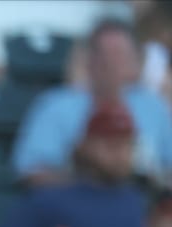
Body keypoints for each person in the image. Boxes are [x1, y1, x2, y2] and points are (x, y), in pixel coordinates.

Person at [0, 104, 156, 227]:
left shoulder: (144, 200)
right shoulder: (52, 198)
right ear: (86, 146)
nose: (121, 155)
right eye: (111, 145)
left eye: (128, 145)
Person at [12, 20, 172, 184]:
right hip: (75, 203)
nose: (111, 64)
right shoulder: (55, 106)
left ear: (136, 62)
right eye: (104, 55)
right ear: (89, 60)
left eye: (119, 55)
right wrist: (92, 184)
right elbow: (31, 171)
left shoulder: (153, 107)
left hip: (143, 204)